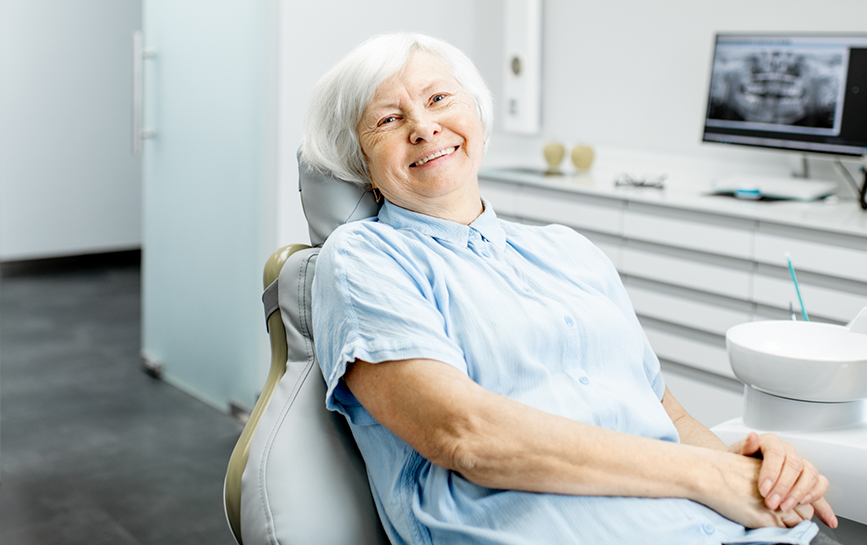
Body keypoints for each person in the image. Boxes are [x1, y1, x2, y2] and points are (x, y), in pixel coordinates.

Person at [302, 32, 838, 545]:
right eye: (389, 120)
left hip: (717, 526)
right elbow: (464, 434)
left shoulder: (570, 251)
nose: (423, 127)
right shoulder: (363, 259)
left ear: (479, 120)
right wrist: (707, 475)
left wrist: (746, 466)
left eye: (439, 98)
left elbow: (667, 416)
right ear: (363, 165)